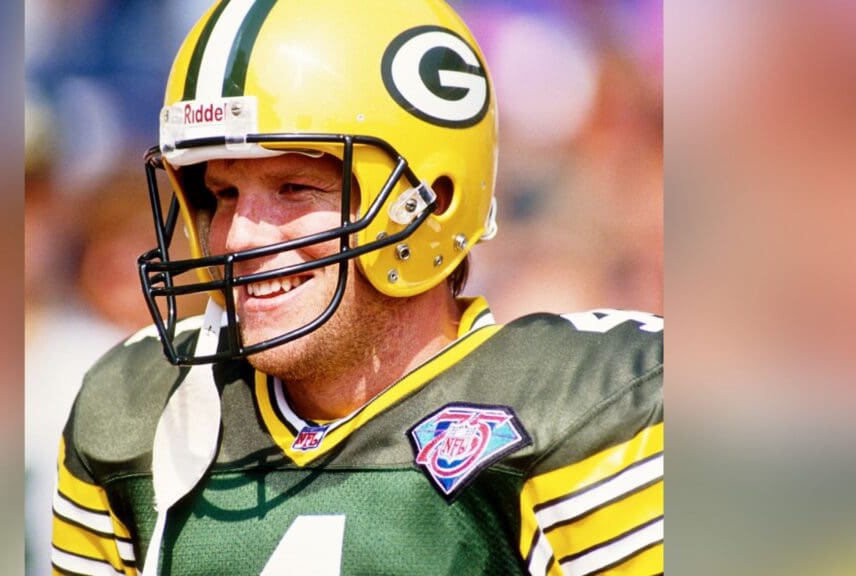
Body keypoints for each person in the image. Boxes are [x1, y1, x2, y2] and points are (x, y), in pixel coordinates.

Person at [50, 1, 663, 574]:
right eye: (224, 193)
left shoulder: (589, 410)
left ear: (431, 201)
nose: (239, 236)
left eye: (294, 188)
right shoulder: (140, 413)